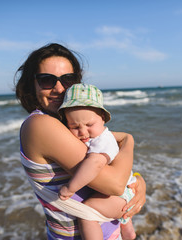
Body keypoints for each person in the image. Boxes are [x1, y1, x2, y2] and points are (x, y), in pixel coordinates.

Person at [15, 43, 146, 240]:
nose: (59, 89)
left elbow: (110, 153)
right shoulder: (41, 126)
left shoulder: (70, 127)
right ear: (31, 85)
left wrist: (137, 180)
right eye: (46, 80)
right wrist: (129, 141)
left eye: (68, 79)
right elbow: (115, 185)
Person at [58, 83, 137, 239]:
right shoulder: (93, 137)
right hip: (123, 190)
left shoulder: (103, 140)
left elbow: (95, 164)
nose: (82, 131)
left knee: (87, 213)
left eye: (89, 124)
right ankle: (128, 231)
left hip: (121, 195)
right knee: (125, 225)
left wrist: (70, 188)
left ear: (102, 118)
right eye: (74, 126)